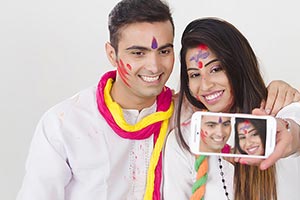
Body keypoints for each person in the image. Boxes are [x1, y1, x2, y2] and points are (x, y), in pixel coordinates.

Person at [17, 0, 299, 199]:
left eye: (164, 51)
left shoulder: (196, 118)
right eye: (138, 53)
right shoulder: (64, 124)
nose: (154, 66)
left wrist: (287, 114)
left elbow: (288, 133)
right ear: (112, 54)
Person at [163, 17, 300, 200]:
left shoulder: (284, 111)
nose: (205, 86)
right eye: (195, 74)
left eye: (216, 69)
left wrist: (288, 133)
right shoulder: (183, 141)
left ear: (239, 65)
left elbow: (294, 133)